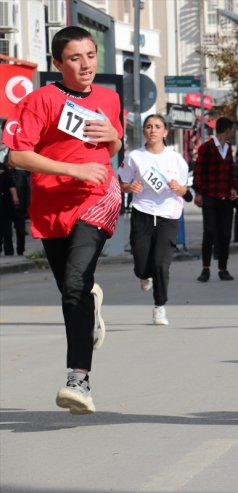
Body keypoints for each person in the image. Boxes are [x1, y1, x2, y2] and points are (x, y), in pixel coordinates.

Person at [2, 26, 123, 414]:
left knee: (74, 283)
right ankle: (89, 300)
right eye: (75, 58)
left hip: (98, 196)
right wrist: (75, 170)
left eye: (90, 55)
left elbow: (113, 144)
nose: (86, 64)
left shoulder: (109, 98)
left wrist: (114, 139)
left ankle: (78, 380)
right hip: (52, 205)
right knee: (73, 291)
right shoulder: (41, 100)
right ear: (58, 63)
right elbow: (17, 157)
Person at [119, 114, 189, 326]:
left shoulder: (175, 158)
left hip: (168, 214)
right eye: (149, 126)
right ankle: (144, 275)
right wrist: (130, 187)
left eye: (157, 127)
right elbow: (121, 182)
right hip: (143, 212)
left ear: (165, 132)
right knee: (141, 265)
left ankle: (160, 307)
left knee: (161, 263)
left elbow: (186, 189)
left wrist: (180, 188)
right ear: (144, 131)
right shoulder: (135, 157)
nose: (153, 130)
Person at [193, 117, 238, 282]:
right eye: (231, 130)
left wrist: (233, 187)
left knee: (225, 235)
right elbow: (199, 171)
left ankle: (223, 269)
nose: (231, 133)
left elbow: (231, 171)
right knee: (210, 232)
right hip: (210, 196)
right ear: (226, 130)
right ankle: (205, 269)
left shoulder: (228, 149)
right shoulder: (206, 148)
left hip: (226, 198)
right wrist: (198, 192)